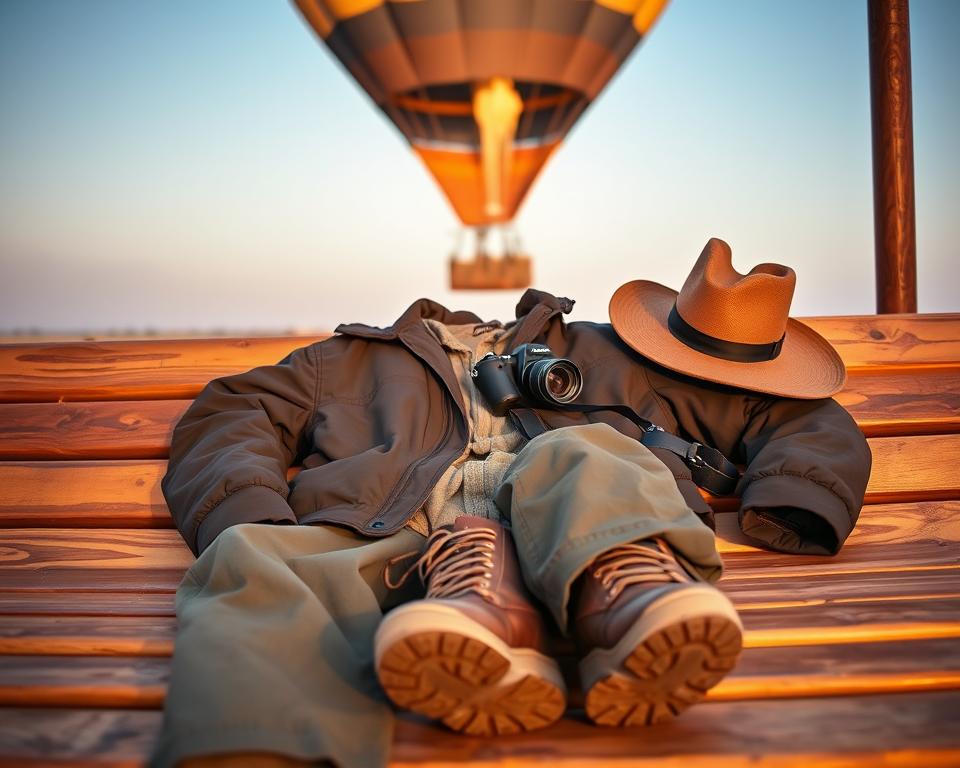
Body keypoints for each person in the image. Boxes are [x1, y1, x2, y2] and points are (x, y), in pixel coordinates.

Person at [152, 238, 872, 768]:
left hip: (588, 534)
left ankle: (629, 596)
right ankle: (254, 746)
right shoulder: (343, 360)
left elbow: (786, 412)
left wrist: (793, 494)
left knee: (586, 450)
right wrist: (254, 511)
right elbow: (231, 412)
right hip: (401, 550)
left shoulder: (619, 351)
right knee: (257, 559)